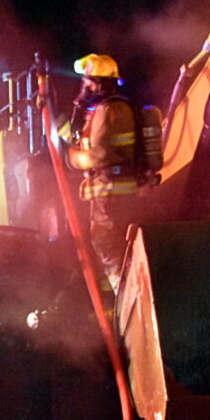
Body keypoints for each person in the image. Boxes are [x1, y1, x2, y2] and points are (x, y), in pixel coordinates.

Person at [63, 53, 138, 292]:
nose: (85, 86)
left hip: (110, 188)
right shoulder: (111, 108)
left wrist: (74, 159)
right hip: (115, 187)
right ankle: (125, 289)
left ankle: (123, 295)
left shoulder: (109, 110)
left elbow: (99, 155)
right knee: (116, 244)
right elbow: (82, 138)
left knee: (105, 241)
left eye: (88, 81)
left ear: (100, 82)